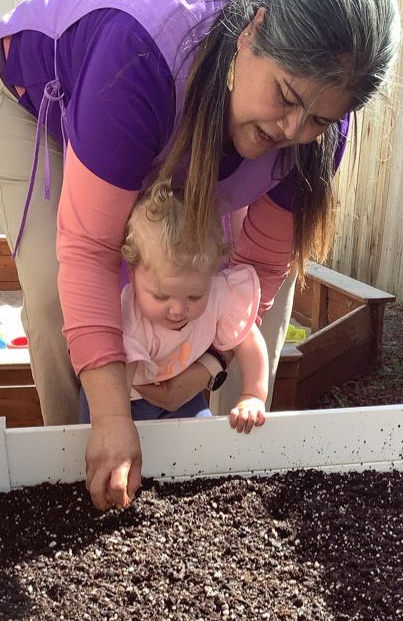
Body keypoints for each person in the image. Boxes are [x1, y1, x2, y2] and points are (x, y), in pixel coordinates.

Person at [0, 0, 400, 510]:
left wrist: (209, 366)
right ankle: (87, 465)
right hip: (42, 101)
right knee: (61, 292)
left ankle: (226, 472)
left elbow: (260, 271)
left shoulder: (313, 128)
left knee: (222, 283)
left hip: (185, 109)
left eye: (320, 119)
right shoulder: (141, 55)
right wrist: (111, 416)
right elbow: (90, 249)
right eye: (287, 97)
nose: (293, 129)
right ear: (253, 33)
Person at [79, 183, 268, 438]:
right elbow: (117, 386)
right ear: (133, 276)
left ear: (211, 275)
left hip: (183, 398)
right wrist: (116, 424)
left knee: (203, 445)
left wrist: (253, 395)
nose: (178, 309)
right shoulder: (130, 317)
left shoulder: (220, 295)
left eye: (194, 295)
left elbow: (250, 341)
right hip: (123, 398)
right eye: (161, 296)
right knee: (113, 449)